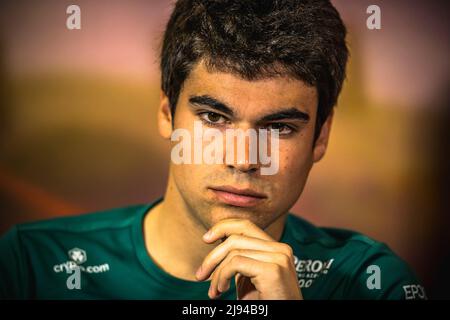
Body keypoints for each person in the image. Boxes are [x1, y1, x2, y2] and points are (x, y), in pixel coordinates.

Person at [0, 0, 426, 300]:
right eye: (214, 118)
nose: (243, 158)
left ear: (321, 137)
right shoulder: (30, 266)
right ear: (168, 114)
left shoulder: (372, 282)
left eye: (279, 127)